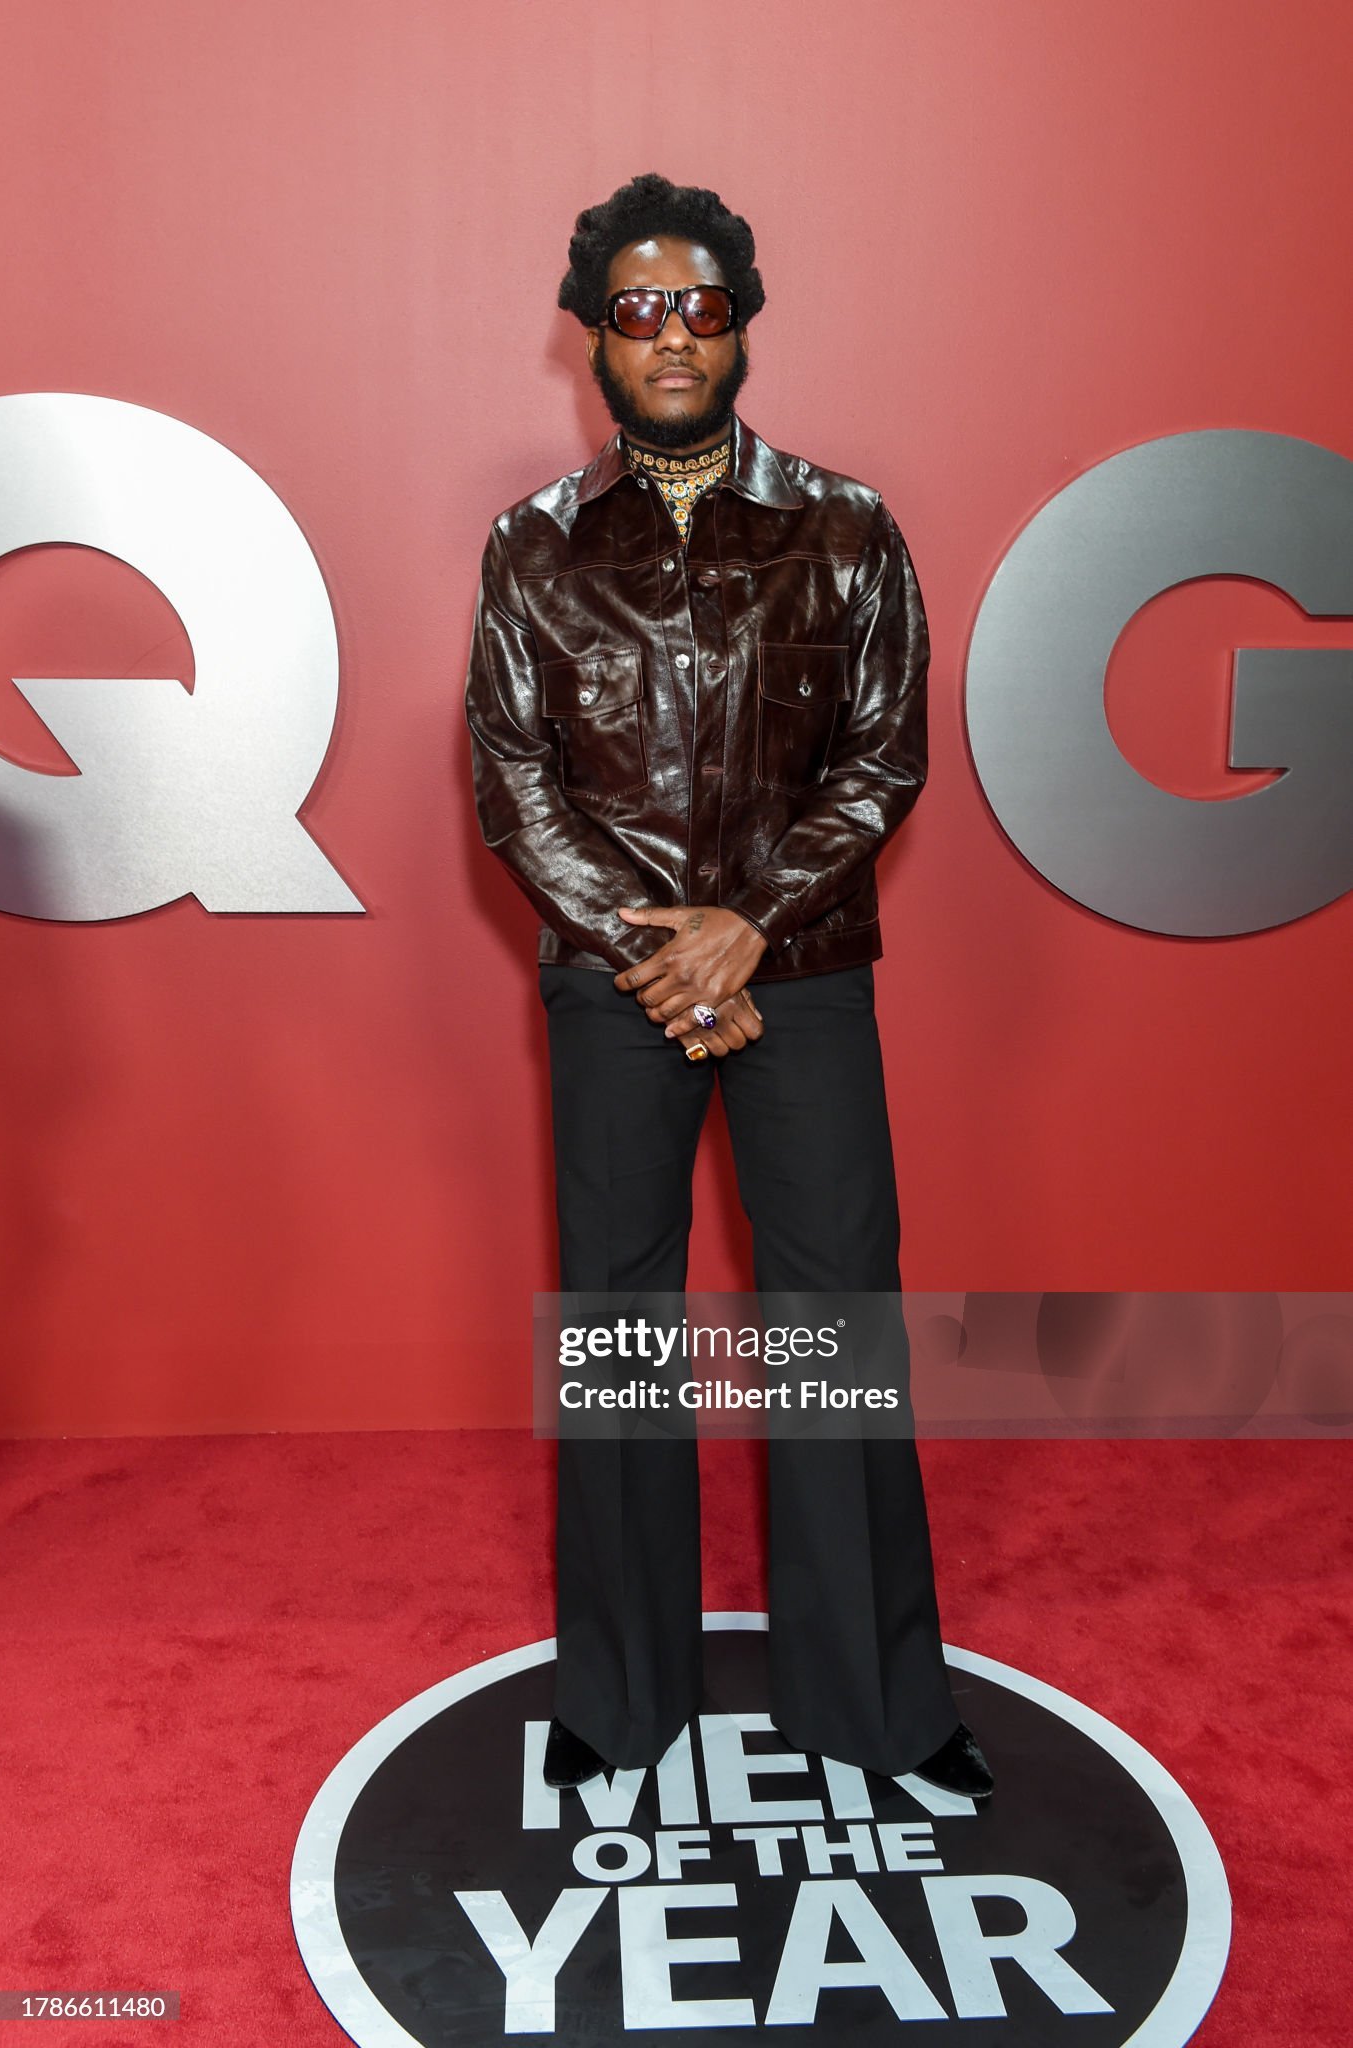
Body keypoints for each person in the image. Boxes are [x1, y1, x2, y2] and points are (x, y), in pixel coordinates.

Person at [464, 172, 993, 1802]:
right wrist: (657, 946)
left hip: (804, 974)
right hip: (615, 981)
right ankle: (617, 1701)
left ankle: (881, 1709)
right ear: (594, 344)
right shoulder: (535, 547)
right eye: (636, 309)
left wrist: (748, 925)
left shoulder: (847, 526)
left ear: (743, 320)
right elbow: (513, 777)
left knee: (836, 1325)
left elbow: (883, 754)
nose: (671, 332)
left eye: (699, 302)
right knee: (619, 1323)